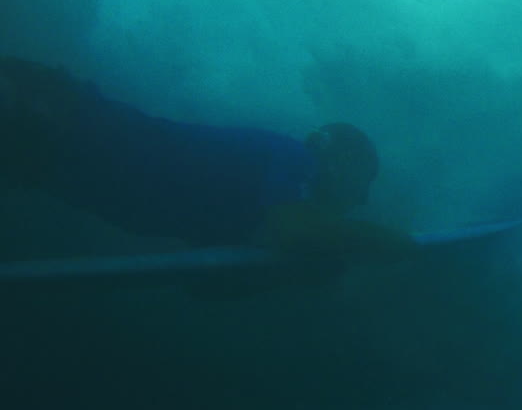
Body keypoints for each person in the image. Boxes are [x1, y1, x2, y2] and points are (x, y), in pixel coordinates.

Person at [0, 56, 411, 261]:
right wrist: (386, 242)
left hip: (53, 157)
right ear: (339, 162)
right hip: (62, 120)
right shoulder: (293, 156)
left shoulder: (266, 206)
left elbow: (208, 285)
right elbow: (294, 230)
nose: (362, 200)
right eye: (364, 181)